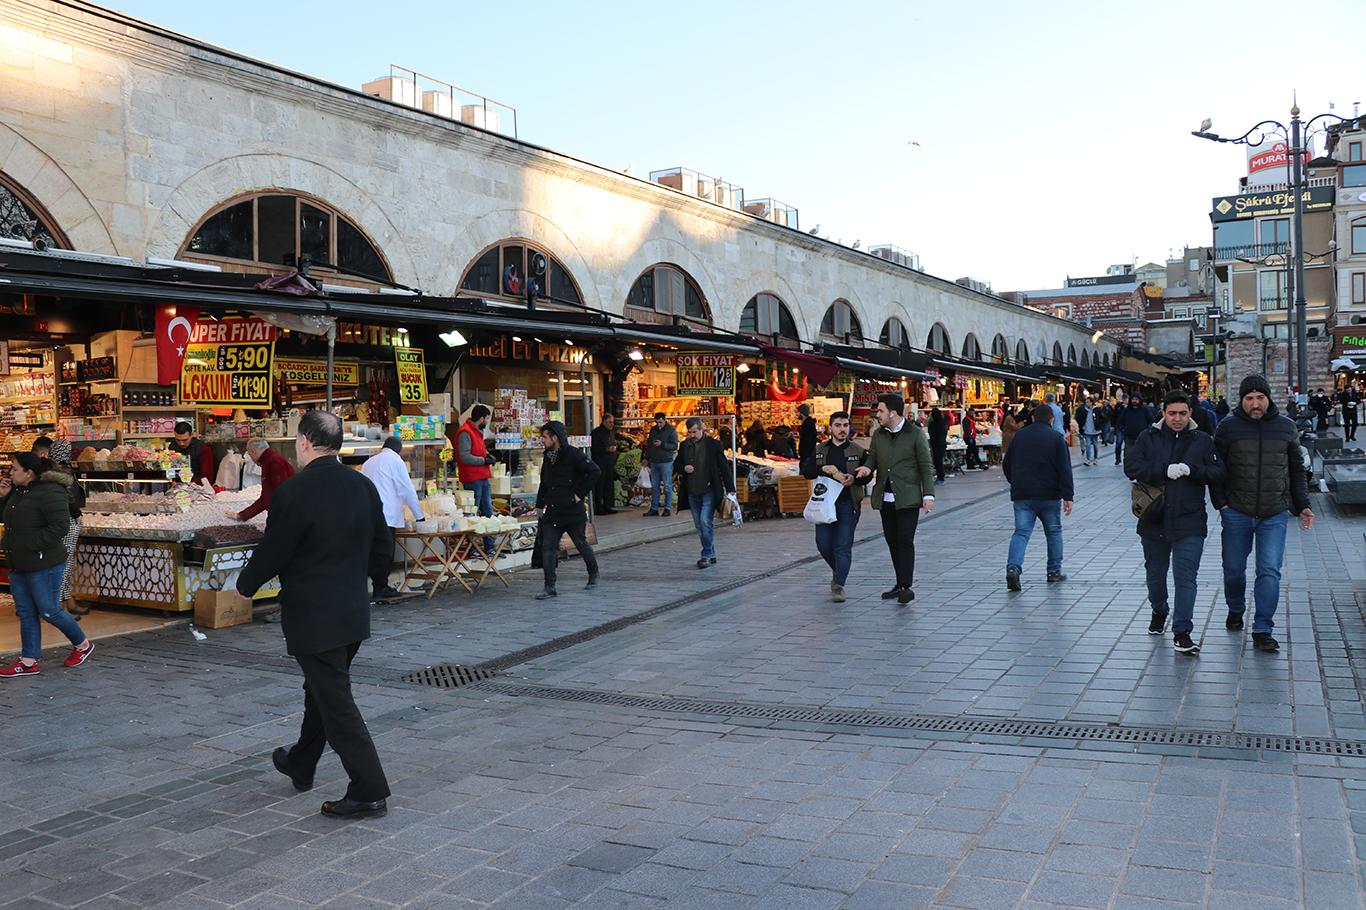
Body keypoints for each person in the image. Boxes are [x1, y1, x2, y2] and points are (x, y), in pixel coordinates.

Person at [237, 411, 392, 818]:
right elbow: (383, 548)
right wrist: (370, 579)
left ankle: (369, 789)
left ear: (304, 441)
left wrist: (245, 584)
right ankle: (301, 762)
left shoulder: (294, 492)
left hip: (313, 616)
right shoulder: (362, 485)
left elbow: (275, 550)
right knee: (321, 692)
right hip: (352, 612)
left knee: (336, 703)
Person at [1212, 374, 1313, 653]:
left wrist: (1303, 505)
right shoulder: (1228, 427)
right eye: (1249, 398)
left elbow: (1297, 470)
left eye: (1260, 398)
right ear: (1241, 400)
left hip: (1274, 512)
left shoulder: (1286, 427)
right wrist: (1221, 503)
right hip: (1236, 511)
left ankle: (1263, 628)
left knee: (1269, 570)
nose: (1255, 404)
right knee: (1233, 569)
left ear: (1268, 398)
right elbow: (1215, 468)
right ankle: (1236, 608)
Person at [1125, 390, 1225, 654]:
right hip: (1154, 519)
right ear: (1163, 413)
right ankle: (1159, 609)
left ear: (1190, 413)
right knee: (1155, 576)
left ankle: (1182, 632)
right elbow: (1131, 467)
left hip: (1189, 521)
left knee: (1186, 578)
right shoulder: (1148, 437)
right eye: (1172, 413)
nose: (1177, 418)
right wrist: (1163, 470)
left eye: (1182, 413)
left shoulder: (1202, 440)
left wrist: (1193, 471)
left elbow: (1218, 472)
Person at [0, 452, 94, 678]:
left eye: (15, 469)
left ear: (28, 472)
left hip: (44, 562)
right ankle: (29, 661)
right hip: (19, 562)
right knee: (26, 612)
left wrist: (31, 545)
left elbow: (60, 526)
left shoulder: (51, 491)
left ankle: (82, 644)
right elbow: (8, 519)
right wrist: (3, 496)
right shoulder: (18, 492)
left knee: (49, 610)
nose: (10, 473)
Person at [854, 393, 935, 605]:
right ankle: (899, 583)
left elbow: (925, 466)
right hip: (885, 498)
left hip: (908, 498)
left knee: (905, 540)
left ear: (892, 412)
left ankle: (906, 586)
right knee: (892, 540)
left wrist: (928, 495)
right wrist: (867, 468)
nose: (877, 415)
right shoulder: (879, 434)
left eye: (880, 411)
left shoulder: (915, 434)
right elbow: (873, 457)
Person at [1002, 405, 1073, 591]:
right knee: (1054, 532)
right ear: (1051, 420)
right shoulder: (1056, 438)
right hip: (1049, 495)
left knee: (1021, 533)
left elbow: (1007, 463)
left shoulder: (1020, 436)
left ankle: (1013, 568)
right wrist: (1068, 496)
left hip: (1023, 494)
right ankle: (1053, 571)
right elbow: (1065, 469)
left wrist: (1015, 482)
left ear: (1033, 418)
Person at [801, 411, 866, 602]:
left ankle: (839, 586)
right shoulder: (820, 449)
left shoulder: (857, 450)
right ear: (830, 428)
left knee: (842, 546)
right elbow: (806, 471)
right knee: (823, 544)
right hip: (824, 505)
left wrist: (855, 478)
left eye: (845, 425)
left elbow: (868, 475)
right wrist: (822, 468)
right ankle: (839, 570)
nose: (842, 429)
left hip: (848, 503)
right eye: (838, 425)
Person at [535, 421, 600, 599]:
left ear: (555, 438)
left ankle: (593, 572)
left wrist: (579, 494)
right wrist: (539, 505)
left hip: (572, 511)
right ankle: (549, 587)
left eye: (545, 437)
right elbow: (544, 482)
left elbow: (594, 472)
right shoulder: (548, 456)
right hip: (553, 510)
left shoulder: (573, 454)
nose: (542, 440)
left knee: (580, 544)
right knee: (548, 547)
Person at [360, 436, 424, 601]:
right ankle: (381, 587)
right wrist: (419, 516)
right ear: (398, 449)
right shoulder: (396, 461)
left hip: (368, 513)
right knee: (385, 552)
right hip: (387, 514)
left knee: (372, 551)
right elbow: (407, 490)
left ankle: (370, 585)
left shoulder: (369, 462)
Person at [676, 417, 735, 569]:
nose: (692, 435)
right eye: (689, 432)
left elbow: (723, 466)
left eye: (694, 432)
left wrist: (731, 489)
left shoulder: (713, 445)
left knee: (704, 521)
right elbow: (677, 464)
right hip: (692, 490)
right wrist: (684, 468)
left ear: (702, 429)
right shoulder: (684, 445)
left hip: (709, 490)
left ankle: (706, 554)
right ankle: (711, 552)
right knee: (699, 524)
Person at [44, 440, 87, 617]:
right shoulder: (60, 472)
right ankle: (59, 608)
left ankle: (68, 602)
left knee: (65, 564)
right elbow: (68, 497)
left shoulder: (55, 470)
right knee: (64, 565)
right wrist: (77, 513)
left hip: (64, 520)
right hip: (67, 521)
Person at [233, 438, 295, 521]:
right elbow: (266, 496)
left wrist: (278, 520)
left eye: (250, 456)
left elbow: (282, 494)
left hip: (285, 516)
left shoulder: (274, 462)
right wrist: (242, 515)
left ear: (253, 451)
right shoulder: (269, 460)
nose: (252, 459)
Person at [456, 405, 497, 525]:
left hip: (482, 476)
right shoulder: (465, 432)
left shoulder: (477, 431)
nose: (487, 422)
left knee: (487, 511)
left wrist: (488, 456)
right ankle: (473, 537)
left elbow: (479, 450)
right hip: (472, 478)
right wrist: (483, 461)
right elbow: (464, 456)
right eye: (487, 419)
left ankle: (489, 536)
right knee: (473, 512)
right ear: (482, 418)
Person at [643, 412, 678, 517]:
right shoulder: (653, 430)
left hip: (666, 461)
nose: (659, 424)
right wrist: (646, 458)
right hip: (654, 461)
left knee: (667, 486)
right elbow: (649, 445)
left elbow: (674, 446)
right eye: (657, 422)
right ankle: (654, 508)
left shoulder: (671, 430)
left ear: (664, 420)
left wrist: (662, 444)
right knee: (655, 486)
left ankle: (667, 508)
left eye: (660, 422)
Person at [168, 420, 215, 485]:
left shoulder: (203, 449)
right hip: (176, 485)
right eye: (178, 440)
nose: (181, 443)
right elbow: (170, 470)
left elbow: (207, 478)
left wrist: (188, 484)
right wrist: (171, 480)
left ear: (192, 435)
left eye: (185, 440)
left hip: (198, 487)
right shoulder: (172, 447)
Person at [590, 412, 619, 514]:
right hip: (600, 462)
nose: (612, 424)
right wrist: (606, 449)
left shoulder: (612, 432)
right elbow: (593, 448)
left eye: (612, 422)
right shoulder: (596, 433)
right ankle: (598, 507)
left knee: (609, 485)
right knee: (600, 485)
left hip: (610, 463)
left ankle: (608, 505)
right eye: (610, 422)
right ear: (604, 422)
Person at [1114, 393, 1153, 466]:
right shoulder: (1126, 410)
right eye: (1133, 399)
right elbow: (1120, 421)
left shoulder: (1144, 410)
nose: (1134, 401)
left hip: (1142, 436)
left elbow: (1150, 420)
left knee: (1141, 453)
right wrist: (1123, 430)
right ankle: (1129, 467)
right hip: (1129, 436)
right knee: (1128, 453)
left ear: (1140, 400)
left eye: (1136, 399)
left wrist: (1148, 430)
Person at [1075, 396, 1103, 466]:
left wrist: (1099, 424)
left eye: (1088, 402)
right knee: (1087, 445)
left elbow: (1102, 418)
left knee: (1095, 445)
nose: (1086, 403)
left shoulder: (1097, 409)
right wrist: (1082, 425)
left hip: (1095, 431)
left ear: (1091, 402)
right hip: (1087, 430)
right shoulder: (1083, 410)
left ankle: (1095, 458)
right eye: (1086, 402)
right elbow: (1078, 417)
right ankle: (1088, 460)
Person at [927, 407, 949, 484]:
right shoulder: (943, 423)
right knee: (939, 461)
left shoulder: (934, 424)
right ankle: (940, 476)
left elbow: (932, 434)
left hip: (936, 445)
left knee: (937, 461)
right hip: (941, 444)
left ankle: (940, 478)